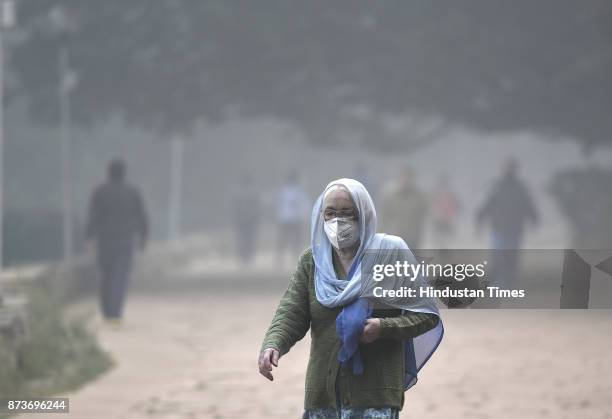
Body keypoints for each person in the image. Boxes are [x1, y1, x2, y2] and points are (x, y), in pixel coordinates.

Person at [259, 178, 443, 418]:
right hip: (323, 395)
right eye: (330, 213)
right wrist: (273, 344)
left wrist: (384, 327)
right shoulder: (313, 261)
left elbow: (425, 313)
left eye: (347, 213)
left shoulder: (389, 254)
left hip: (375, 394)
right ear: (320, 216)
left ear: (364, 214)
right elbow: (292, 313)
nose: (338, 221)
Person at [86, 158, 148, 326]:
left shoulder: (99, 192)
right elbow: (142, 217)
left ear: (108, 172)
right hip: (125, 242)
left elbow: (93, 217)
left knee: (106, 276)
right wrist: (143, 239)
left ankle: (106, 311)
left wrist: (89, 237)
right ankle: (115, 313)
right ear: (124, 173)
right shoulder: (133, 192)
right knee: (120, 277)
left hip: (105, 242)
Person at [476, 158, 539, 291]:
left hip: (514, 231)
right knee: (498, 259)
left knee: (511, 259)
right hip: (499, 230)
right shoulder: (496, 187)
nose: (509, 170)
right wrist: (479, 221)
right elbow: (486, 206)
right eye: (507, 167)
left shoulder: (520, 188)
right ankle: (497, 286)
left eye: (511, 167)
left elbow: (529, 206)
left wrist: (534, 219)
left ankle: (509, 286)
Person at [380, 167, 428, 250]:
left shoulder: (418, 196)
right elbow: (385, 216)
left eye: (408, 177)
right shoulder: (392, 195)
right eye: (403, 177)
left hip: (414, 235)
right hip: (396, 234)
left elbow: (424, 213)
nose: (406, 180)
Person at [276, 171, 310, 266]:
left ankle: (279, 260)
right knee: (295, 240)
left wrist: (278, 216)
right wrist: (306, 217)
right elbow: (304, 205)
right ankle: (295, 259)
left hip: (284, 218)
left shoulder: (283, 190)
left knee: (283, 240)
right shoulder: (299, 191)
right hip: (295, 219)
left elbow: (279, 205)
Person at [232, 174, 261, 265]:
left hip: (241, 219)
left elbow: (234, 208)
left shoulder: (237, 193)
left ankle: (242, 257)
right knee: (250, 238)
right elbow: (257, 207)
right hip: (250, 219)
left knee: (242, 238)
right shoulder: (253, 192)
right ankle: (249, 257)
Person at [431, 174, 461, 248]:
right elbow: (432, 206)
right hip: (440, 219)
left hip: (446, 219)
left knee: (445, 237)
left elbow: (456, 206)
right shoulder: (436, 194)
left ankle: (444, 249)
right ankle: (441, 248)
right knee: (440, 237)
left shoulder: (450, 194)